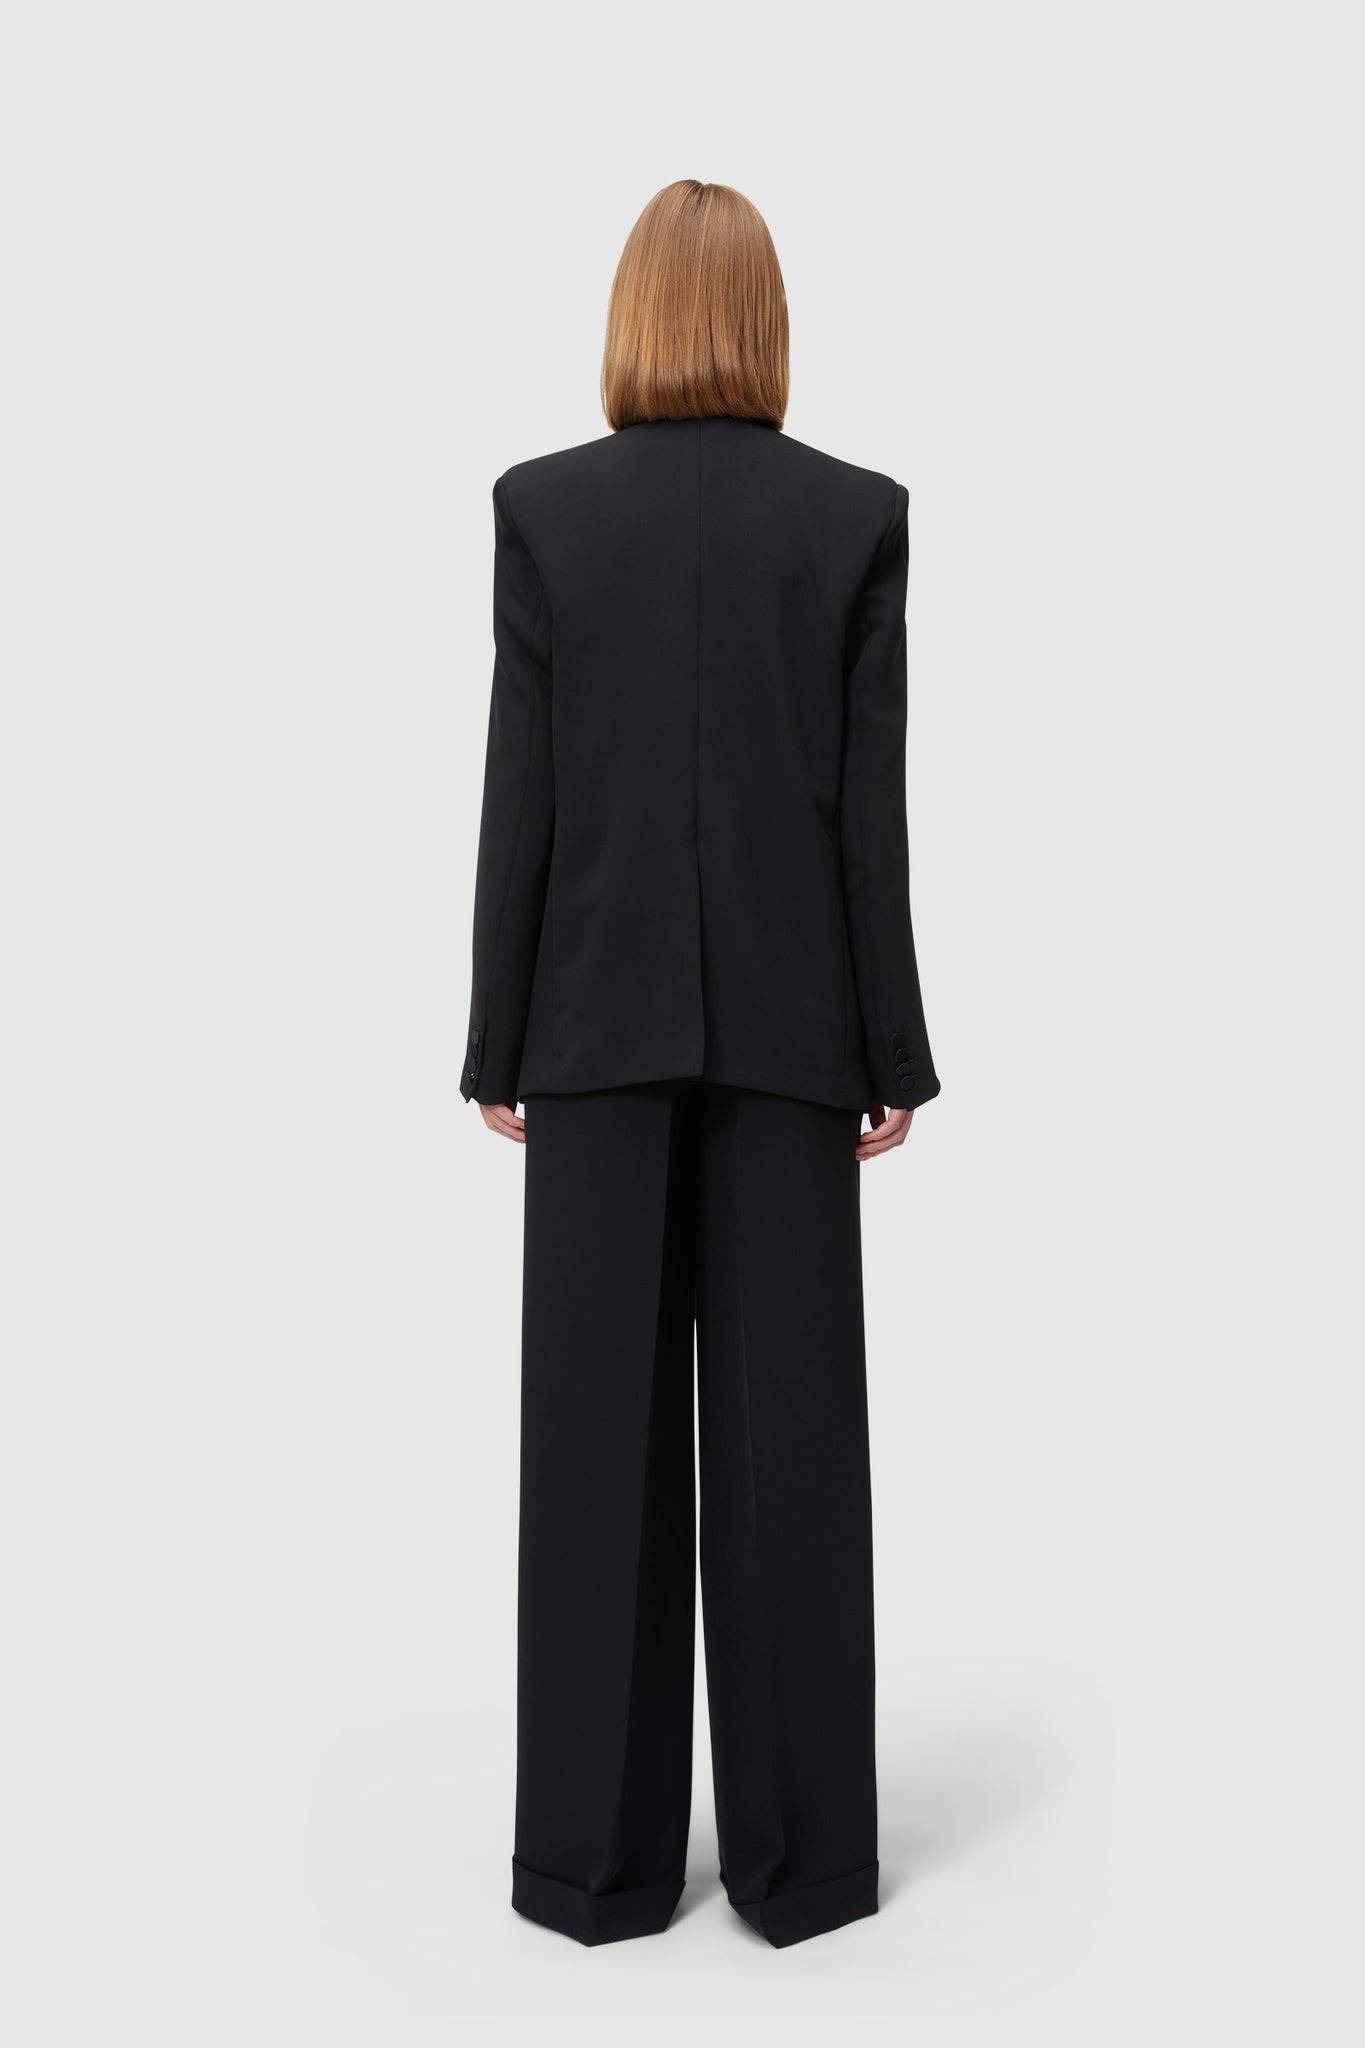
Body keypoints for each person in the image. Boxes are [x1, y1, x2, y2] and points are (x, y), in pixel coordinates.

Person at [462, 178, 940, 1949]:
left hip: (589, 1031)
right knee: (789, 1453)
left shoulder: (544, 512)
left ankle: (589, 1872)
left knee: (592, 1461)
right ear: (764, 320)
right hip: (793, 1035)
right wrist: (890, 1048)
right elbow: (867, 820)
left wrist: (496, 1035)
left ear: (633, 318)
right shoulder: (852, 518)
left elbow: (524, 796)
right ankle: (804, 1871)